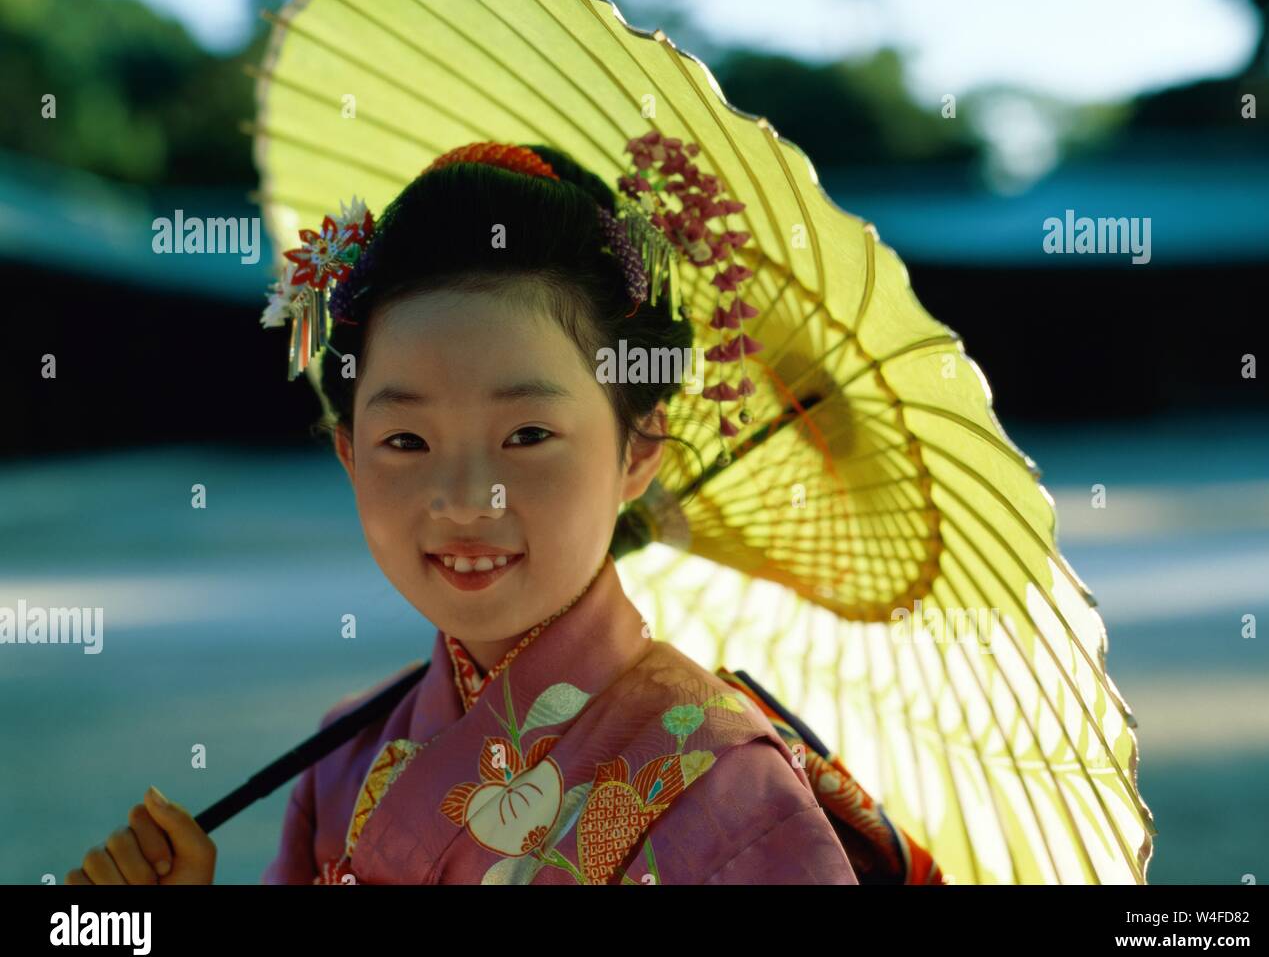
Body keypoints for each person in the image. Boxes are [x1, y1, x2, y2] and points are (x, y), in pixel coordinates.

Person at [67, 142, 860, 885]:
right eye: (406, 439)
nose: (465, 498)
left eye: (527, 434)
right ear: (349, 453)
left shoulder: (733, 792)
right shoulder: (344, 757)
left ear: (640, 444)